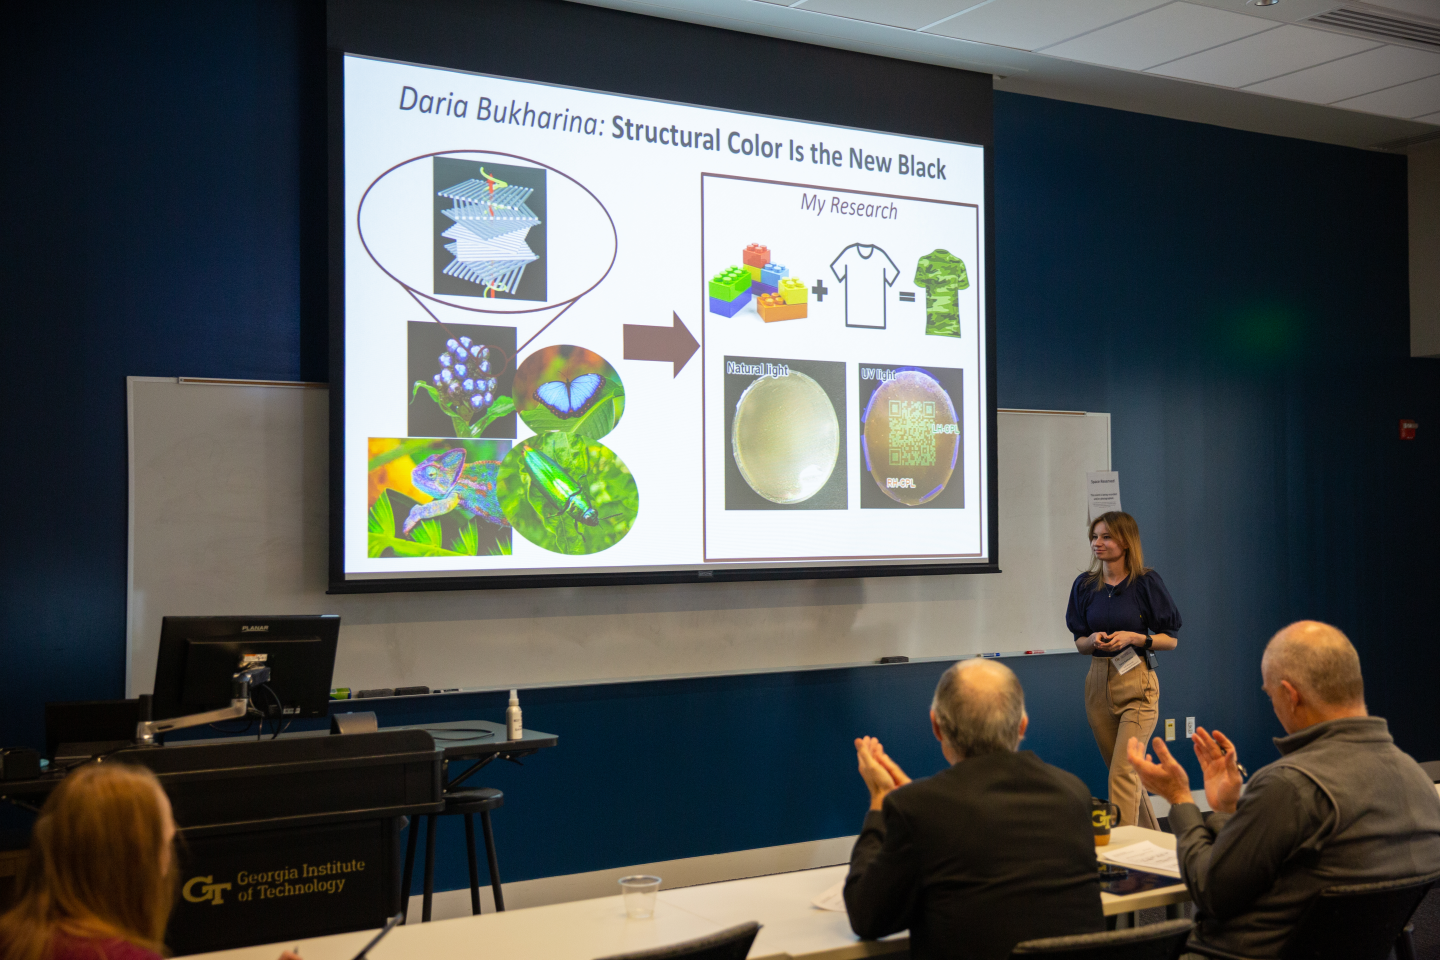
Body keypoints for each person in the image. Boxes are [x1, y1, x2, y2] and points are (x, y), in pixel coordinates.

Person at [1128, 620, 1440, 959]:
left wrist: (1179, 799)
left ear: (1291, 696)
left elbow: (1209, 890)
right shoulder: (1419, 782)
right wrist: (1228, 809)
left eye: (1270, 695)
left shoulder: (1291, 786)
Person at [845, 659, 1104, 960]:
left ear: (936, 727)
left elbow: (866, 917)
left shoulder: (921, 808)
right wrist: (915, 803)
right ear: (1022, 725)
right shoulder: (1073, 793)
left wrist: (880, 800)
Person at [0, 763, 300, 960]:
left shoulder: (12, 939)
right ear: (134, 860)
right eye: (166, 843)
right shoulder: (123, 956)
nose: (169, 861)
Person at [1065, 510, 1180, 829]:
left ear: (1126, 542)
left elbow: (1171, 641)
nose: (1097, 543)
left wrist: (1135, 637)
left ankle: (1123, 852)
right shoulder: (1085, 585)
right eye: (1094, 536)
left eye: (1106, 537)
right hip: (1098, 684)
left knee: (1122, 774)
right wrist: (1092, 640)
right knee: (1128, 777)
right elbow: (1079, 643)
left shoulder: (1146, 582)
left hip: (1137, 684)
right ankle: (1152, 846)